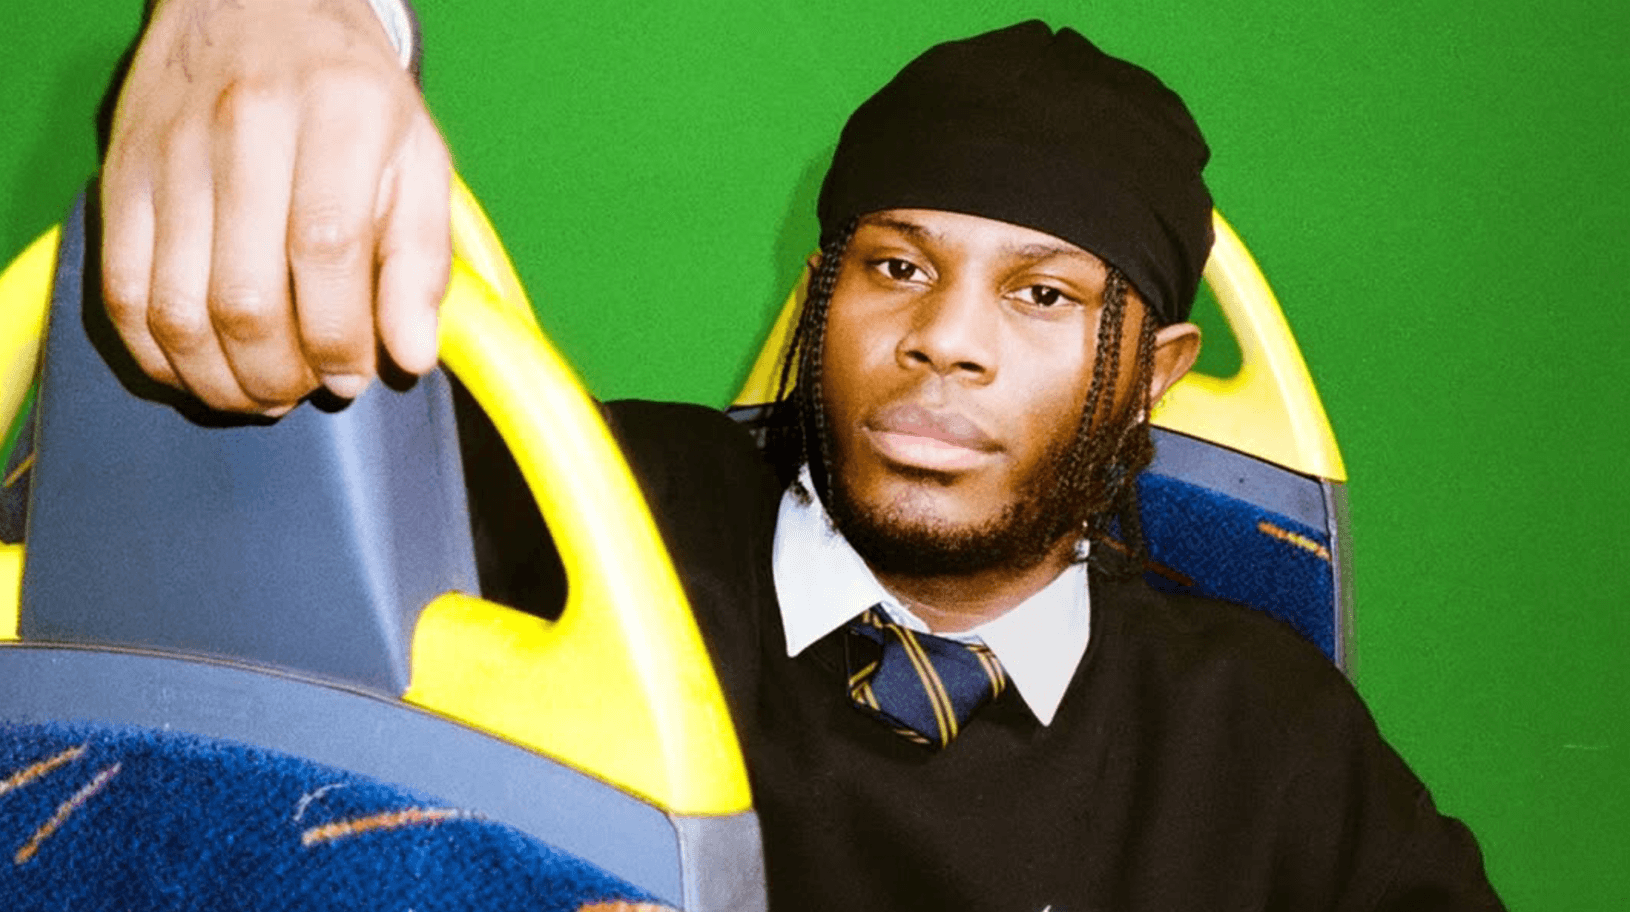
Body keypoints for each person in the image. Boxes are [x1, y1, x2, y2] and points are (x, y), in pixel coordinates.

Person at [99, 1, 1506, 909]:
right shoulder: (575, 508)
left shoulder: (1263, 736)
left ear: (1151, 376)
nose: (942, 340)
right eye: (896, 266)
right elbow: (181, 497)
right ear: (824, 298)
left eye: (1041, 295)